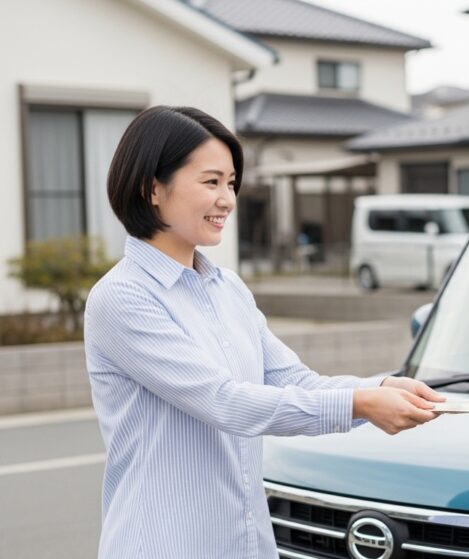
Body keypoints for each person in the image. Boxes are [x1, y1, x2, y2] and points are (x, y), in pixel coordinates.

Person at [84, 106, 443, 558]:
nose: (228, 200)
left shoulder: (227, 288)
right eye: (211, 182)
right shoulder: (122, 298)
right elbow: (223, 401)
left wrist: (381, 387)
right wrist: (360, 403)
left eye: (231, 183)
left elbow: (294, 382)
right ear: (151, 188)